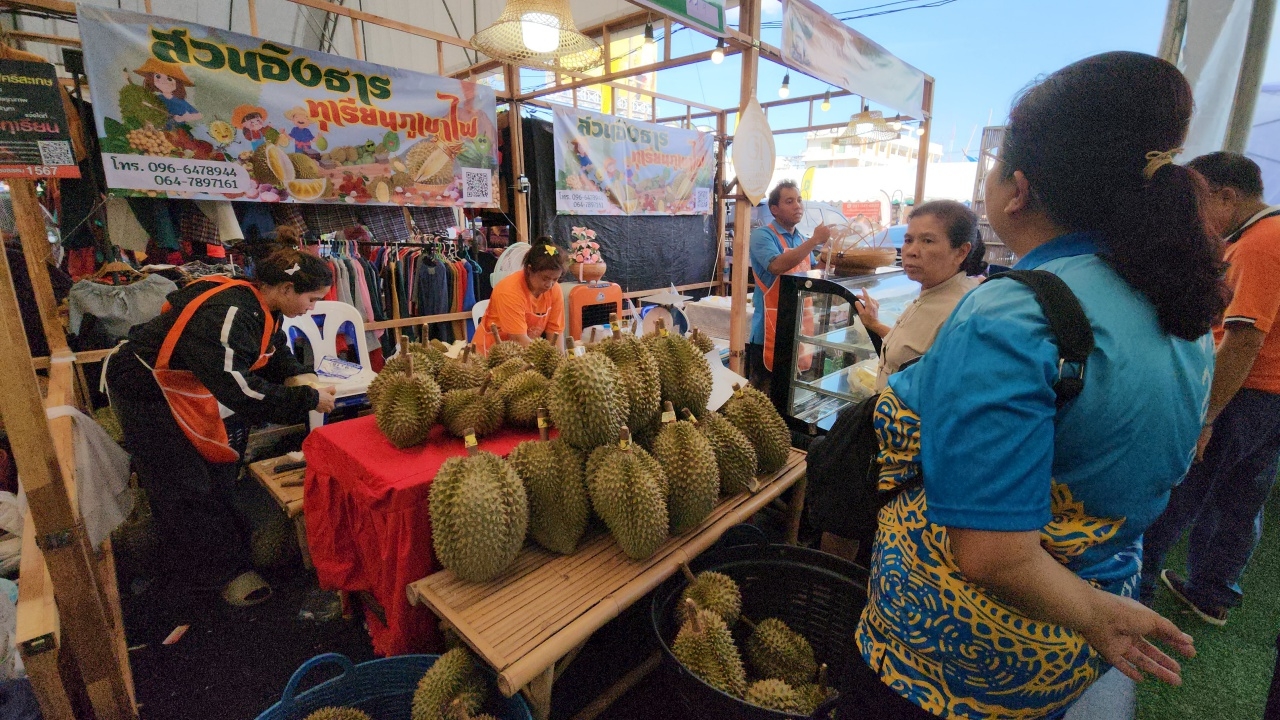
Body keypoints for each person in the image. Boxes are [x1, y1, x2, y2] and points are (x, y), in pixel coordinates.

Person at [848, 52, 1228, 720]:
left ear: (1016, 189)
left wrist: (1089, 614)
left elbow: (991, 553)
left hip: (955, 660)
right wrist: (1088, 611)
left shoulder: (1013, 313)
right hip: (1069, 648)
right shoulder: (1180, 307)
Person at [106, 250, 337, 607]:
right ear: (288, 288)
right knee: (183, 482)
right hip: (144, 392)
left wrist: (295, 373)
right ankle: (216, 575)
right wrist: (305, 399)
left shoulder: (263, 308)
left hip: (184, 388)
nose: (312, 307)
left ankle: (221, 547)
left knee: (215, 469)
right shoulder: (229, 313)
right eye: (312, 299)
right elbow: (240, 389)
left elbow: (273, 349)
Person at [1139, 152, 1280, 625]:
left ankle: (1133, 594)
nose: (1197, 219)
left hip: (1246, 393)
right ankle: (1211, 592)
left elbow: (1244, 338)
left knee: (1180, 491)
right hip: (1271, 397)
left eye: (1201, 204)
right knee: (1242, 499)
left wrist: (1206, 416)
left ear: (1226, 196)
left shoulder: (1261, 242)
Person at [854, 200, 986, 389]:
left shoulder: (960, 311)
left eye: (927, 241)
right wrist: (875, 325)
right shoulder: (932, 291)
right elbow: (915, 351)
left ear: (961, 252)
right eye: (908, 240)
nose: (911, 251)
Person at [747, 181, 830, 393]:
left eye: (799, 200)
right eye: (789, 201)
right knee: (764, 398)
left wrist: (828, 257)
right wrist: (814, 241)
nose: (798, 206)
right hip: (768, 331)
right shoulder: (762, 235)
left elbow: (813, 274)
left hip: (798, 329)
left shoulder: (800, 239)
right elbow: (776, 265)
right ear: (774, 209)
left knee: (790, 396)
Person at [474, 239, 567, 354]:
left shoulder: (555, 290)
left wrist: (560, 361)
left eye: (555, 279)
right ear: (529, 269)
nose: (549, 284)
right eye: (545, 278)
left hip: (525, 355)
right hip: (490, 354)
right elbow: (518, 339)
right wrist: (546, 360)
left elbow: (555, 333)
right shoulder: (509, 290)